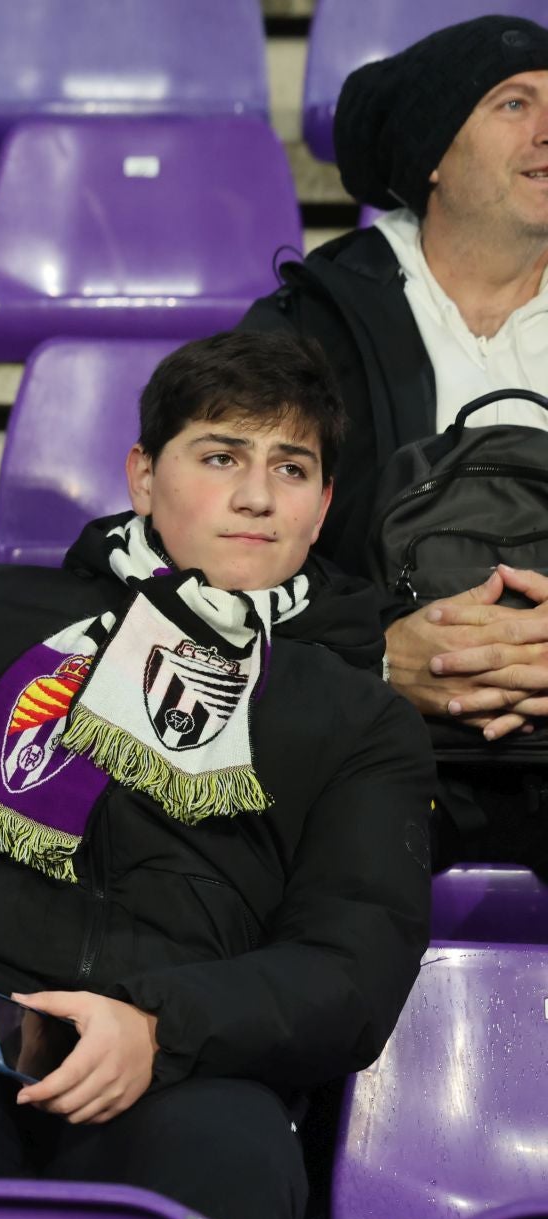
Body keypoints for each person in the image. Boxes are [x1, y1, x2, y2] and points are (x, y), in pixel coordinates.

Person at [0, 332, 434, 1219]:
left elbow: (350, 966)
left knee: (222, 1192)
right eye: (221, 457)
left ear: (322, 508)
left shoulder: (358, 714)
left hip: (197, 1076)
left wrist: (161, 1027)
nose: (257, 495)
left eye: (291, 468)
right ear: (143, 476)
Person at [240, 15, 548, 857]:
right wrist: (373, 654)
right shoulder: (306, 328)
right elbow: (225, 549)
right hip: (370, 738)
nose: (547, 130)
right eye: (514, 103)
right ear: (432, 157)